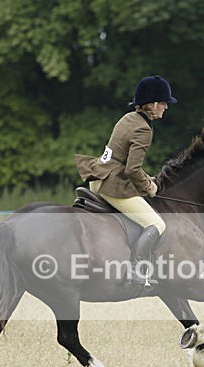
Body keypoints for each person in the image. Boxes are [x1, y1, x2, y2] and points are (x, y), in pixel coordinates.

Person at [74, 75, 176, 286]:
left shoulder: (128, 118)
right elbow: (132, 169)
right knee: (156, 223)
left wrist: (147, 178)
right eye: (163, 103)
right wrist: (149, 187)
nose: (166, 107)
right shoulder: (144, 129)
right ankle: (135, 270)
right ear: (152, 104)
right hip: (112, 184)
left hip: (98, 176)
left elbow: (124, 161)